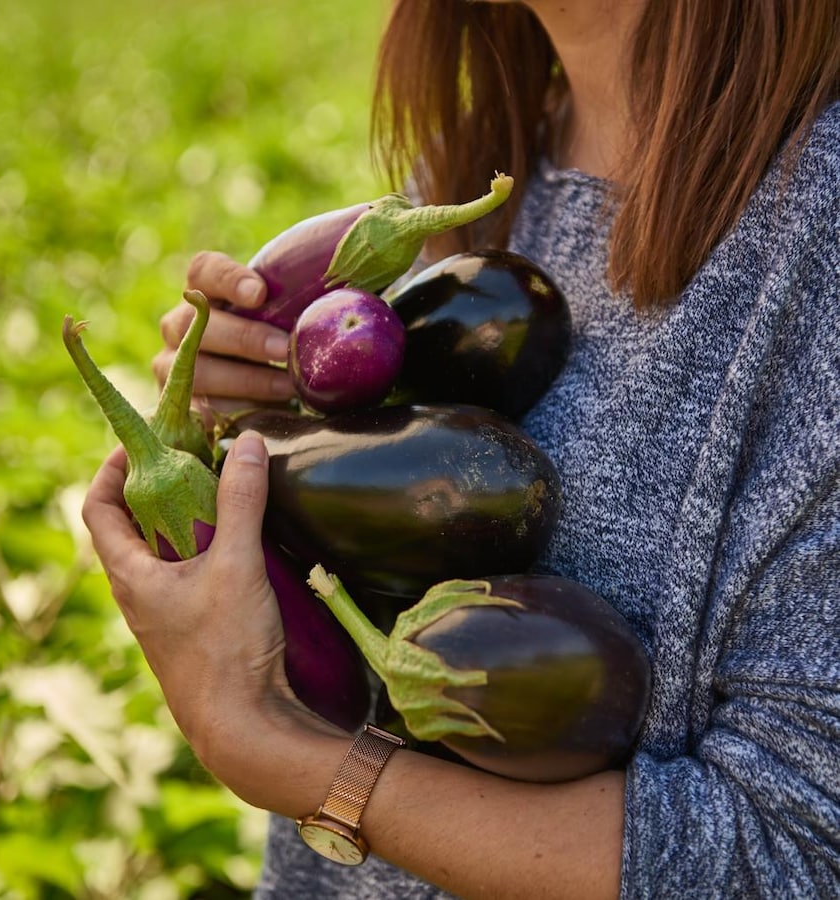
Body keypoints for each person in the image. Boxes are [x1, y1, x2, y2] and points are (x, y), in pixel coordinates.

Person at [83, 1, 840, 897]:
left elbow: (796, 856)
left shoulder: (812, 236)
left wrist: (292, 761)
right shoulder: (476, 163)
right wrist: (248, 401)